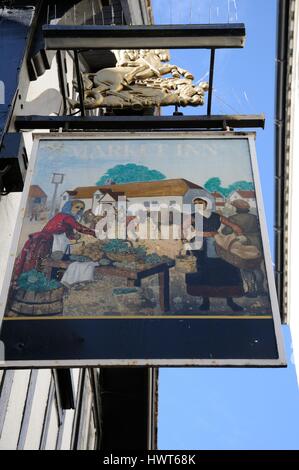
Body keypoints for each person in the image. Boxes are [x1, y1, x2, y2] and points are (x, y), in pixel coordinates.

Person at [185, 197, 245, 312]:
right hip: (200, 247)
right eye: (196, 204)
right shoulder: (192, 216)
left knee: (226, 269)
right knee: (204, 272)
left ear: (206, 204)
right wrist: (195, 235)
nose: (198, 206)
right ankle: (205, 301)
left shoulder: (216, 216)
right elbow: (182, 229)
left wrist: (240, 235)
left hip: (217, 244)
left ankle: (230, 300)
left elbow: (235, 226)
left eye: (200, 204)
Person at [14, 200, 96, 279]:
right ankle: (52, 279)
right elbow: (79, 228)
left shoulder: (62, 216)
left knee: (42, 260)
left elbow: (68, 232)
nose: (79, 210)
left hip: (50, 240)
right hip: (50, 240)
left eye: (81, 208)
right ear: (69, 207)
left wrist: (74, 236)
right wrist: (93, 233)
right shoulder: (67, 217)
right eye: (77, 207)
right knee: (54, 261)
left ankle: (42, 278)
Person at [222, 199, 266, 297]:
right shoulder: (254, 218)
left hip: (244, 245)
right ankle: (261, 289)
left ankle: (251, 291)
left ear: (237, 209)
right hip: (257, 244)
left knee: (246, 268)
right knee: (257, 268)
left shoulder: (233, 218)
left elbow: (226, 231)